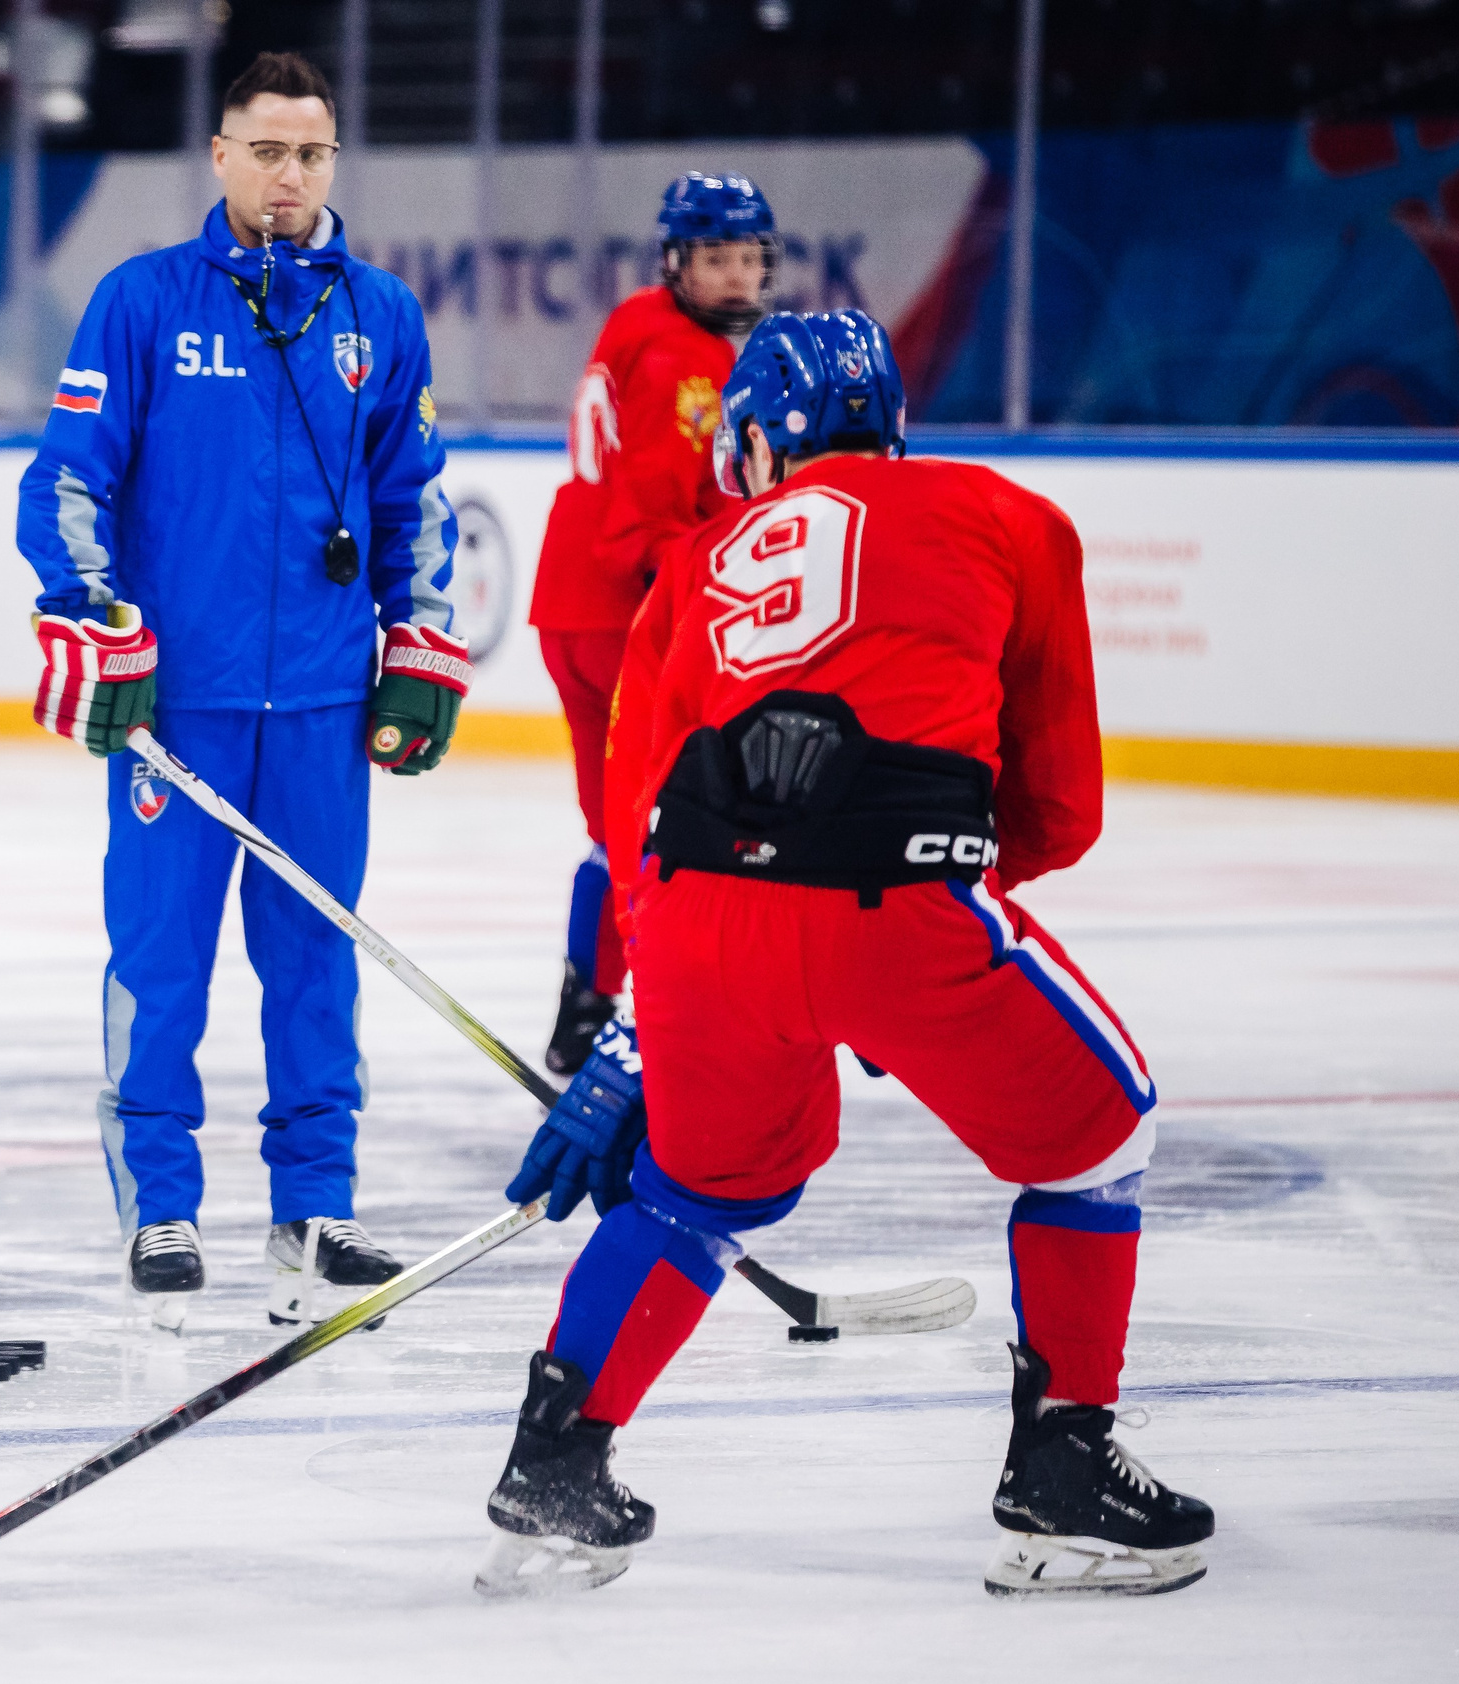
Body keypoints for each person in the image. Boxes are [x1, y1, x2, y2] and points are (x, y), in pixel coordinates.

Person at [483, 310, 1214, 1599]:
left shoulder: (695, 565)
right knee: (1103, 1136)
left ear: (759, 441)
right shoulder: (1010, 519)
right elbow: (1059, 808)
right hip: (902, 906)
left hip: (705, 936)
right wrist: (906, 955)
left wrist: (634, 1036)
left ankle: (554, 1465)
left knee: (698, 1191)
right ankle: (1059, 1472)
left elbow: (639, 832)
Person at [15, 52, 466, 1332]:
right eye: (266, 150)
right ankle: (160, 1202)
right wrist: (98, 619)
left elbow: (411, 499)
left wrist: (419, 646)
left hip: (322, 704)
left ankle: (313, 1202)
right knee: (162, 962)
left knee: (315, 961)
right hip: (179, 708)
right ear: (220, 156)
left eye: (311, 154)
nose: (289, 175)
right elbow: (67, 480)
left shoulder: (379, 313)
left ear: (334, 164)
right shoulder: (143, 300)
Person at [529, 173, 777, 1076]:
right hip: (623, 617)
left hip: (574, 600)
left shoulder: (640, 319)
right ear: (676, 261)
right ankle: (608, 1012)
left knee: (617, 823)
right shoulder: (689, 364)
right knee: (647, 826)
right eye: (716, 259)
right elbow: (650, 522)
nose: (737, 277)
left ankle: (586, 1005)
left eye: (749, 257)